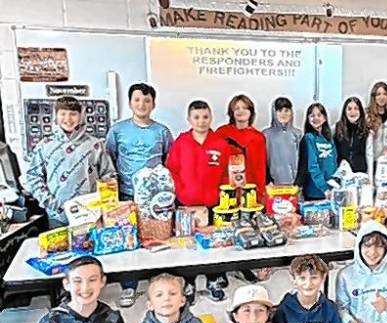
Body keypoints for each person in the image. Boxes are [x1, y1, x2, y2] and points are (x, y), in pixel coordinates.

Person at [106, 83, 174, 308]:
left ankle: (159, 284)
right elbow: (110, 159)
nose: (142, 105)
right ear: (130, 103)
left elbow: (168, 160)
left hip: (156, 198)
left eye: (147, 101)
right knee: (129, 241)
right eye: (137, 100)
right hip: (126, 195)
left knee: (158, 238)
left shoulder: (162, 131)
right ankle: (129, 286)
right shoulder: (117, 130)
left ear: (153, 104)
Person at [166, 100, 232, 301]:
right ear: (189, 119)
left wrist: (222, 199)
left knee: (213, 245)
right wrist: (181, 194)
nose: (201, 121)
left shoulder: (220, 144)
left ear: (211, 117)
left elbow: (226, 175)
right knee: (188, 246)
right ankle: (189, 283)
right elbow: (172, 171)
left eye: (205, 117)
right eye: (196, 117)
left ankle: (213, 280)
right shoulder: (181, 142)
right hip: (185, 205)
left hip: (213, 205)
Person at [26, 96, 116, 229]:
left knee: (90, 247)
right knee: (61, 248)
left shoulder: (95, 145)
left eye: (73, 114)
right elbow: (33, 176)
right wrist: (50, 202)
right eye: (63, 113)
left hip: (91, 213)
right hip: (58, 216)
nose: (68, 119)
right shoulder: (45, 145)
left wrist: (103, 204)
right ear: (55, 116)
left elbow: (109, 176)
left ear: (81, 116)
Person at [216, 94, 268, 202]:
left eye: (245, 108)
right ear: (232, 112)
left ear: (251, 111)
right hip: (226, 190)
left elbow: (260, 168)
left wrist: (260, 193)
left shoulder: (258, 137)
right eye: (237, 108)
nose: (241, 111)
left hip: (250, 191)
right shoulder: (222, 133)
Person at [295, 103, 338, 200]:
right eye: (312, 115)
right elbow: (312, 166)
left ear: (325, 118)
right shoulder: (309, 138)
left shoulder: (329, 139)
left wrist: (335, 184)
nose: (316, 118)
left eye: (319, 115)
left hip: (331, 190)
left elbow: (334, 162)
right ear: (308, 118)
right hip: (315, 192)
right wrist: (324, 188)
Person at [262, 97, 302, 185]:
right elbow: (262, 161)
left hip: (294, 184)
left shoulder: (297, 134)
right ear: (274, 113)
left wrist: (299, 182)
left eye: (286, 110)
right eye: (280, 110)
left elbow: (302, 161)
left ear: (291, 112)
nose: (283, 114)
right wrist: (268, 181)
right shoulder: (266, 134)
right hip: (273, 184)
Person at [365, 81, 387, 182]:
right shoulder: (367, 115)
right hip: (371, 161)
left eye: (384, 94)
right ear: (374, 97)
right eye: (378, 94)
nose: (381, 97)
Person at [334, 96, 368, 173]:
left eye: (356, 108)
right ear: (344, 111)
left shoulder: (366, 130)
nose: (353, 112)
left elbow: (369, 155)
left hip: (360, 174)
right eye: (349, 109)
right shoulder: (337, 129)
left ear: (360, 111)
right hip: (342, 172)